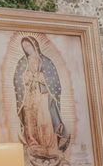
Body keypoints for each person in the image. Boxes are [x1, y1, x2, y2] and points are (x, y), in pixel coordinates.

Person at [14, 36, 71, 164]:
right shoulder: (23, 62)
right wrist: (27, 78)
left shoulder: (45, 61)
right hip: (29, 97)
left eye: (28, 46)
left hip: (43, 95)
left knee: (44, 120)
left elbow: (54, 80)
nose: (26, 49)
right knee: (30, 120)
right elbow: (18, 80)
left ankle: (48, 146)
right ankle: (34, 145)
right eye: (24, 47)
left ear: (34, 45)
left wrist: (41, 77)